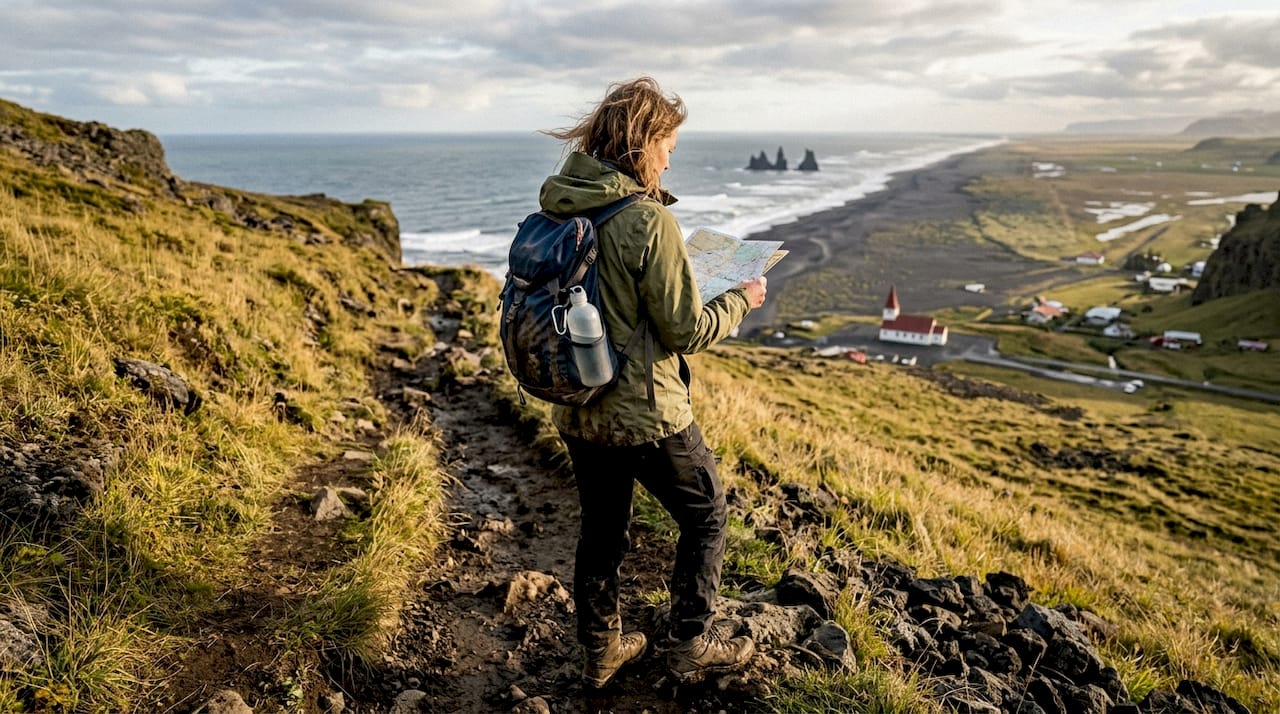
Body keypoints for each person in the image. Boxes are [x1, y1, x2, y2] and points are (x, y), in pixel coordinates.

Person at [538, 77, 768, 688]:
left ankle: (601, 651)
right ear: (642, 144)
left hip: (577, 405)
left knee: (602, 529)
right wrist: (740, 300)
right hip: (645, 412)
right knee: (707, 515)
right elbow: (685, 329)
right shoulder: (648, 220)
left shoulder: (561, 203)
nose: (669, 160)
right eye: (667, 146)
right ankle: (690, 644)